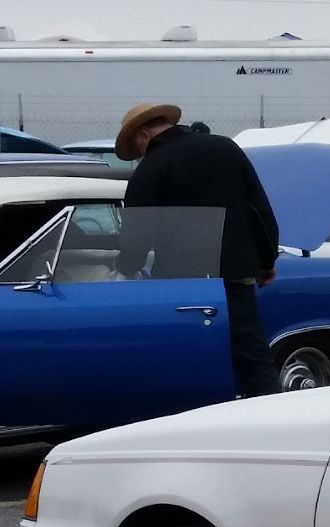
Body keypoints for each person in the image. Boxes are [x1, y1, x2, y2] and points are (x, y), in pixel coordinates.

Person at [114, 102, 282, 398]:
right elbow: (259, 211)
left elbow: (136, 236)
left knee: (186, 355)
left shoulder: (150, 169)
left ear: (143, 135)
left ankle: (197, 415)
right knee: (252, 354)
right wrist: (266, 261)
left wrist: (127, 265)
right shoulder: (225, 148)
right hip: (235, 273)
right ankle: (266, 415)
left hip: (182, 281)